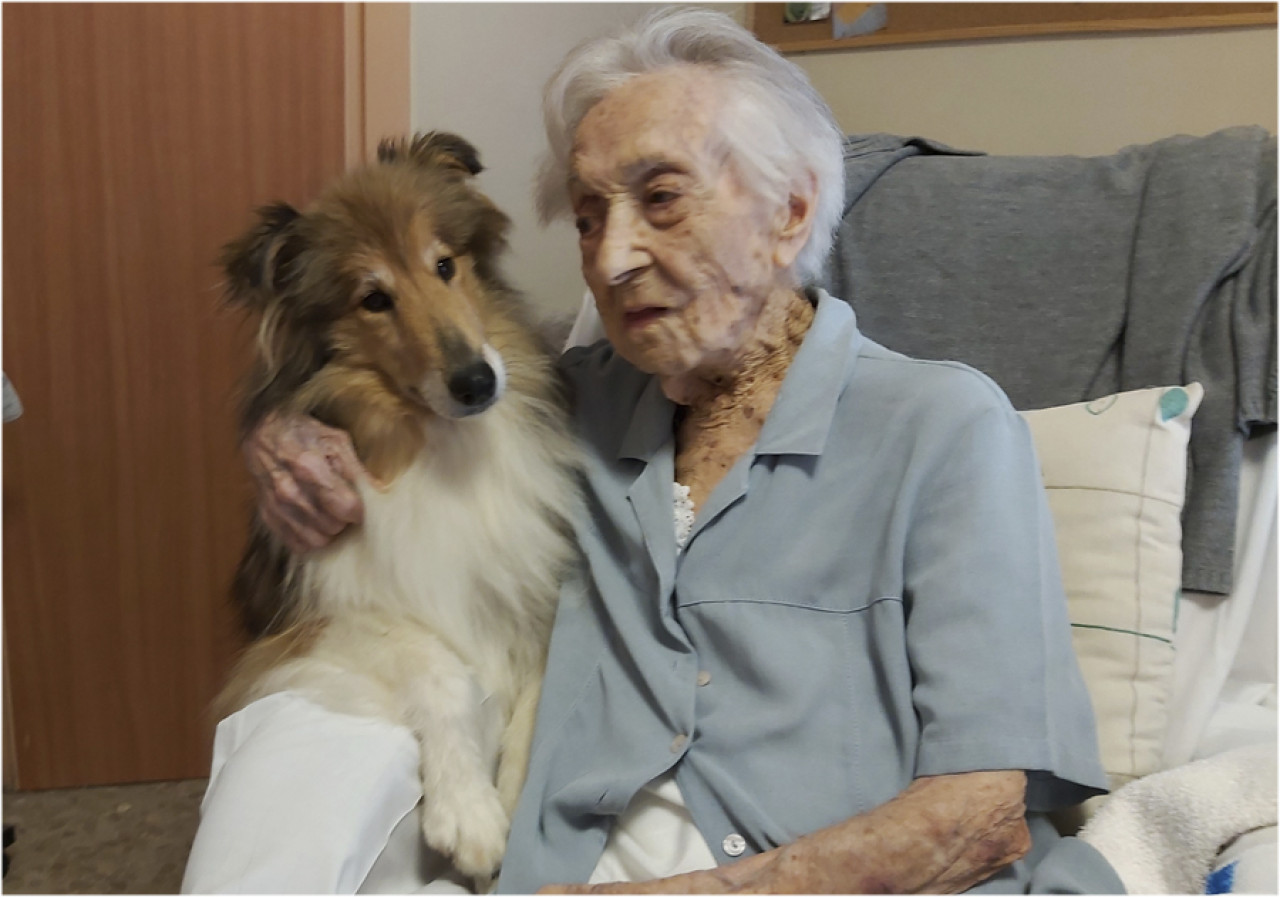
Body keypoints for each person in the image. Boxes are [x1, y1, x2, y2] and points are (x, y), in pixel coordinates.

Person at [239, 8, 1123, 893]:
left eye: (660, 198)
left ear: (790, 210)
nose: (612, 257)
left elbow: (981, 814)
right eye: (587, 219)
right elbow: (389, 399)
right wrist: (287, 441)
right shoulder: (561, 412)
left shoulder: (942, 428)